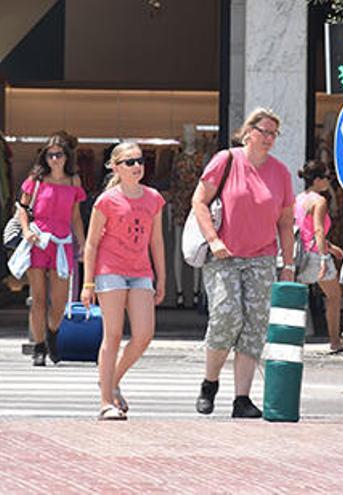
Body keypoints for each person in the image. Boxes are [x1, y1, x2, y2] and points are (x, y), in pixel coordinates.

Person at [193, 108, 296, 418]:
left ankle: (242, 399)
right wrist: (213, 238)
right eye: (263, 131)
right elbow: (199, 201)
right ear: (248, 132)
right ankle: (210, 383)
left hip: (262, 258)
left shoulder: (280, 173)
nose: (268, 139)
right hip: (224, 256)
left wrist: (288, 264)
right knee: (226, 318)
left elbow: (286, 222)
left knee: (253, 326)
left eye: (273, 134)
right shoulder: (226, 160)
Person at [81, 142, 166, 420]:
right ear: (115, 167)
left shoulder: (153, 198)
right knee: (113, 334)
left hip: (141, 271)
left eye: (140, 160)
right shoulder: (106, 200)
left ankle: (111, 379)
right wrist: (88, 283)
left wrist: (162, 278)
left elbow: (156, 241)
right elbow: (92, 244)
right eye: (129, 162)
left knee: (144, 334)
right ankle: (106, 401)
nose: (136, 166)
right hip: (110, 269)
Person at [18, 134, 86, 366]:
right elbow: (22, 209)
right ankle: (38, 346)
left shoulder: (73, 181)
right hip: (38, 241)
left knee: (59, 302)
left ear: (67, 157)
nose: (54, 159)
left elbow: (75, 216)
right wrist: (26, 231)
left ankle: (52, 334)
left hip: (62, 243)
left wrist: (83, 243)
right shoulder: (35, 180)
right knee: (37, 299)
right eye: (50, 155)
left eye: (59, 154)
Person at [294, 160, 343, 353]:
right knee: (334, 296)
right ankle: (334, 341)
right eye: (326, 177)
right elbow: (317, 229)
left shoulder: (299, 199)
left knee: (298, 299)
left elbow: (305, 231)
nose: (328, 180)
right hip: (316, 255)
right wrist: (326, 257)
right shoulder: (320, 201)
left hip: (300, 254)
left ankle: (295, 339)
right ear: (317, 180)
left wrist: (332, 248)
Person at [170, 124, 204, 308]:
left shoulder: (201, 158)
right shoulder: (177, 158)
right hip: (180, 204)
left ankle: (197, 290)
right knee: (178, 247)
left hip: (197, 205)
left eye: (192, 133)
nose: (189, 136)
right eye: (186, 133)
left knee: (198, 245)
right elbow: (173, 182)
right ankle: (180, 291)